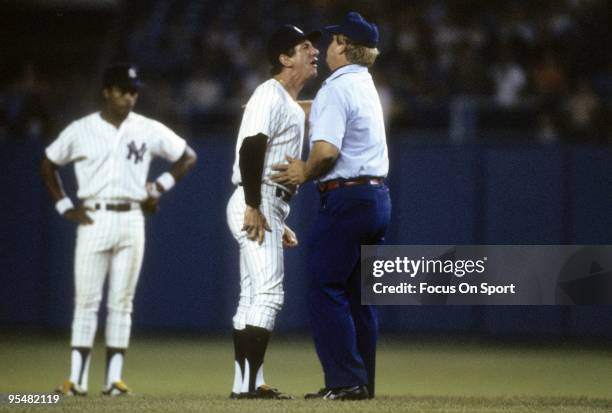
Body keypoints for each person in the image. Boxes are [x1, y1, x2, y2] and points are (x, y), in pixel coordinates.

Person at [40, 63, 197, 396]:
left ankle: (113, 381)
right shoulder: (81, 129)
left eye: (134, 90)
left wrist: (160, 186)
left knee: (122, 302)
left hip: (131, 217)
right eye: (124, 90)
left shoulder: (146, 127)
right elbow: (48, 163)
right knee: (86, 301)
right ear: (107, 91)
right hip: (94, 217)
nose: (130, 96)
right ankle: (77, 381)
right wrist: (64, 205)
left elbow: (187, 156)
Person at [271, 12, 391, 401]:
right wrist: (289, 108)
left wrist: (303, 171)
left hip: (347, 197)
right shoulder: (363, 83)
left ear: (342, 44)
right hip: (375, 198)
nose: (324, 46)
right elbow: (325, 110)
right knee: (359, 295)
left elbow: (325, 151)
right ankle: (362, 382)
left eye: (331, 39)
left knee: (324, 286)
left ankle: (345, 381)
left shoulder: (336, 89)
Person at [225, 25, 320, 399]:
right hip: (257, 196)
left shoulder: (285, 102)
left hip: (268, 200)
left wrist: (277, 216)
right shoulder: (269, 93)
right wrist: (254, 205)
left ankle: (245, 384)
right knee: (268, 294)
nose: (314, 51)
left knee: (252, 295)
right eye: (305, 46)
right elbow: (251, 147)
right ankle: (249, 388)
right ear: (284, 58)